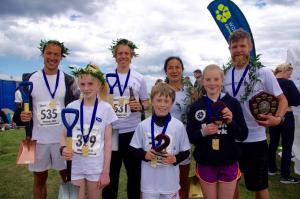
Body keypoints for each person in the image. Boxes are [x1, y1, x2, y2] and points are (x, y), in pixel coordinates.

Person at [223, 28, 288, 199]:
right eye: (234, 46)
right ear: (229, 49)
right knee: (231, 183)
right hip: (232, 138)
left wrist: (278, 119)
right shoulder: (225, 74)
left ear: (250, 47)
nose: (238, 50)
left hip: (256, 139)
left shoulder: (263, 72)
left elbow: (282, 100)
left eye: (242, 46)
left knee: (259, 186)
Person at [17, 40, 79, 199]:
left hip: (63, 140)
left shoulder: (69, 80)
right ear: (43, 54)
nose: (52, 57)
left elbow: (78, 106)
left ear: (61, 57)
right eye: (49, 53)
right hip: (38, 140)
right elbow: (20, 112)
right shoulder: (30, 79)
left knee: (67, 177)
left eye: (56, 54)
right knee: (39, 179)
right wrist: (22, 116)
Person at [187, 64, 248, 199]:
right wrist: (203, 132)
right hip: (205, 161)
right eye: (208, 80)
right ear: (202, 82)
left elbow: (243, 135)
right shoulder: (197, 106)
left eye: (216, 79)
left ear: (222, 81)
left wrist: (231, 121)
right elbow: (190, 136)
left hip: (228, 160)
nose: (212, 83)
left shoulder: (232, 103)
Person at [61, 64, 118, 199]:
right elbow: (63, 135)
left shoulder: (106, 109)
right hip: (74, 165)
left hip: (95, 166)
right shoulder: (71, 107)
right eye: (82, 84)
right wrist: (63, 148)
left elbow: (109, 142)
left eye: (90, 84)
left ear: (99, 84)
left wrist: (105, 171)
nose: (86, 88)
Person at [102, 38, 149, 199]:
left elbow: (146, 102)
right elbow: (100, 101)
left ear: (131, 56)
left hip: (132, 132)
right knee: (111, 173)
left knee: (134, 175)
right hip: (111, 132)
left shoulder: (139, 78)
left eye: (126, 53)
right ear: (115, 56)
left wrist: (140, 106)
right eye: (120, 53)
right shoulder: (105, 77)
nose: (123, 56)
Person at [130, 82, 191, 199]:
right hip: (149, 184)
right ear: (152, 101)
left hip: (170, 183)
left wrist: (175, 159)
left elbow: (186, 152)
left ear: (172, 103)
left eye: (166, 101)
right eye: (159, 100)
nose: (162, 105)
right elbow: (133, 149)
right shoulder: (143, 125)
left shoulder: (178, 126)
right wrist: (144, 155)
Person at [163, 56, 199, 199]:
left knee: (182, 181)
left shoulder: (191, 92)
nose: (174, 70)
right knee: (165, 181)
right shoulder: (160, 90)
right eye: (170, 67)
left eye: (177, 67)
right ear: (165, 71)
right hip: (165, 140)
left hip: (185, 140)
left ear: (182, 70)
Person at [268, 63, 300, 183]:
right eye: (289, 74)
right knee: (287, 146)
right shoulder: (288, 83)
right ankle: (285, 175)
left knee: (273, 143)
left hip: (273, 115)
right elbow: (297, 100)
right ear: (285, 70)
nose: (290, 76)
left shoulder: (271, 82)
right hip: (286, 114)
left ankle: (271, 168)